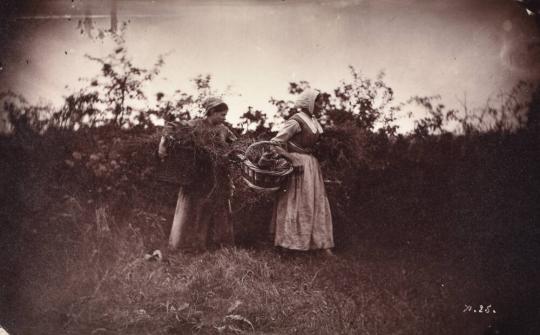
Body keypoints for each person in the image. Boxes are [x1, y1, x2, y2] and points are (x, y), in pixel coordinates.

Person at [158, 97, 237, 252]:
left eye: (225, 115)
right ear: (211, 112)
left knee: (218, 208)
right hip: (197, 174)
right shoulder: (195, 125)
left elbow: (235, 144)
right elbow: (170, 127)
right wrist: (162, 145)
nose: (224, 118)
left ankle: (218, 246)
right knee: (192, 208)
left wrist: (232, 155)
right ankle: (185, 246)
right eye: (222, 114)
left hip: (217, 175)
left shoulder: (224, 129)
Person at [270, 89, 334, 255]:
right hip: (298, 165)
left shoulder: (313, 121)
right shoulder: (296, 121)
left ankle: (318, 244)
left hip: (311, 165)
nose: (321, 105)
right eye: (318, 102)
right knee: (297, 201)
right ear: (309, 103)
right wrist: (291, 159)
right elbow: (275, 143)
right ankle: (290, 244)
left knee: (313, 202)